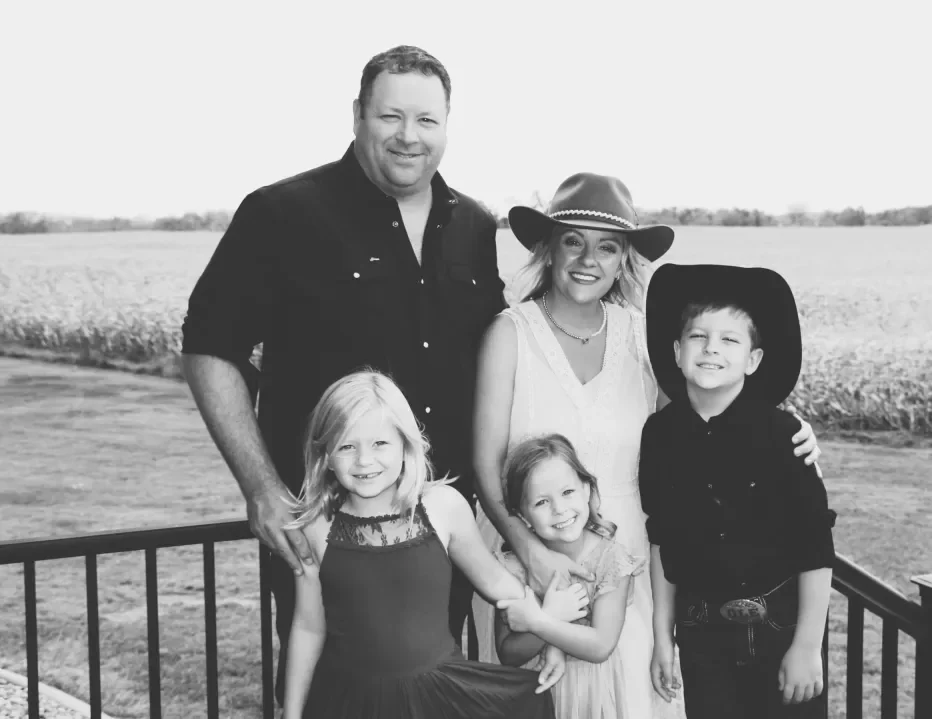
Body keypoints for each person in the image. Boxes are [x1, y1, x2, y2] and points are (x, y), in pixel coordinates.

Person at [180, 45, 502, 702]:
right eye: (391, 116)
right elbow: (210, 347)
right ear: (358, 115)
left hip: (437, 530)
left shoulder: (473, 223)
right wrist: (264, 488)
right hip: (327, 530)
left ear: (448, 125)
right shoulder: (281, 214)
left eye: (427, 120)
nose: (409, 136)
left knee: (431, 692)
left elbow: (500, 356)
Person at [471, 172, 823, 718]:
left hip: (635, 559)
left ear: (625, 260)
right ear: (548, 248)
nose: (589, 259)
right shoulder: (509, 334)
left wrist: (791, 433)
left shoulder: (643, 338)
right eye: (573, 241)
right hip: (530, 553)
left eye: (607, 246)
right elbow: (486, 467)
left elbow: (700, 428)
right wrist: (533, 555)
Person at [282, 370, 571, 719]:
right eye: (347, 446)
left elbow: (497, 583)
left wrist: (551, 633)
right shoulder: (315, 527)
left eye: (380, 443)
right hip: (348, 702)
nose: (364, 460)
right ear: (326, 455)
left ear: (406, 445)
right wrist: (293, 713)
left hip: (437, 699)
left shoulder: (442, 507)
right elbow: (308, 626)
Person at [641, 264, 837, 718]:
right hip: (701, 634)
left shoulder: (784, 435)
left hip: (781, 628)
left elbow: (815, 545)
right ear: (675, 351)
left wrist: (807, 646)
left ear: (753, 359)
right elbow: (661, 538)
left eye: (730, 339)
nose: (711, 349)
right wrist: (662, 635)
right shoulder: (659, 436)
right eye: (697, 337)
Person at [493, 434, 646, 719]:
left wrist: (541, 621)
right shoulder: (513, 568)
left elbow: (601, 645)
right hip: (534, 695)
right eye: (541, 502)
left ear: (587, 490)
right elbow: (508, 652)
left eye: (567, 493)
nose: (560, 509)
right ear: (522, 515)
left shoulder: (611, 560)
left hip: (593, 696)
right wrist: (552, 618)